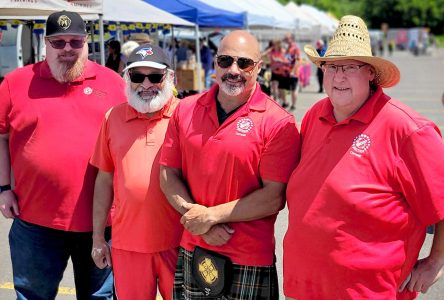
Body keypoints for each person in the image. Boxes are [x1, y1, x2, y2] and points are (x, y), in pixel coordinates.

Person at [283, 15, 444, 300]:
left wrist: (435, 262)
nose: (338, 76)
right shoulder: (314, 115)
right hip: (306, 287)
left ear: (370, 73)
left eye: (350, 67)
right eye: (331, 67)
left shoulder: (408, 130)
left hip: (369, 292)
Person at [159, 30, 300, 299]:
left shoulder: (278, 122)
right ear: (214, 63)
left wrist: (210, 218)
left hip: (248, 258)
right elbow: (168, 173)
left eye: (244, 63)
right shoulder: (185, 109)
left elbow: (273, 197)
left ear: (258, 68)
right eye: (225, 61)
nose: (233, 70)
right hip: (193, 248)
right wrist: (196, 218)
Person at [0, 10, 126, 299]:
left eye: (75, 42)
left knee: (99, 297)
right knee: (32, 295)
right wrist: (4, 188)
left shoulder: (113, 84)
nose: (67, 49)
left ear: (87, 42)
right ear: (46, 44)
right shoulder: (16, 83)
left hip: (101, 223)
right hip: (35, 220)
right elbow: (2, 136)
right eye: (58, 42)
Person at [90, 43, 183, 300]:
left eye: (154, 76)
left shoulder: (185, 115)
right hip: (127, 245)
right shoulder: (112, 118)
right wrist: (98, 238)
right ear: (126, 77)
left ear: (169, 77)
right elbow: (104, 181)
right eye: (137, 76)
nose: (146, 84)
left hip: (179, 241)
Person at [283, 33, 301, 110]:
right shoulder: (287, 48)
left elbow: (297, 60)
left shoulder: (295, 48)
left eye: (288, 38)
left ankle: (293, 105)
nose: (286, 40)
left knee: (293, 89)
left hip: (293, 73)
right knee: (285, 88)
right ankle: (285, 102)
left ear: (292, 39)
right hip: (286, 72)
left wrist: (293, 71)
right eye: (286, 38)